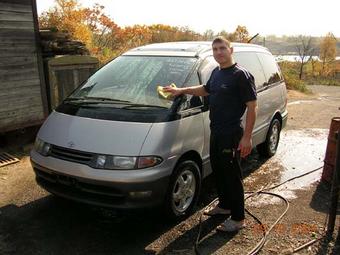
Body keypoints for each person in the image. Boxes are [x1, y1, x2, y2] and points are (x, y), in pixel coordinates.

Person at [163, 36, 257, 232]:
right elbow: (205, 89)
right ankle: (224, 206)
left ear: (231, 50)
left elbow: (252, 107)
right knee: (219, 170)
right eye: (215, 49)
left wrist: (246, 137)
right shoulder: (217, 72)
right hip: (217, 131)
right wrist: (181, 90)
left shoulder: (241, 75)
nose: (218, 52)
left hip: (231, 133)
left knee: (232, 175)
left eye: (222, 48)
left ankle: (238, 218)